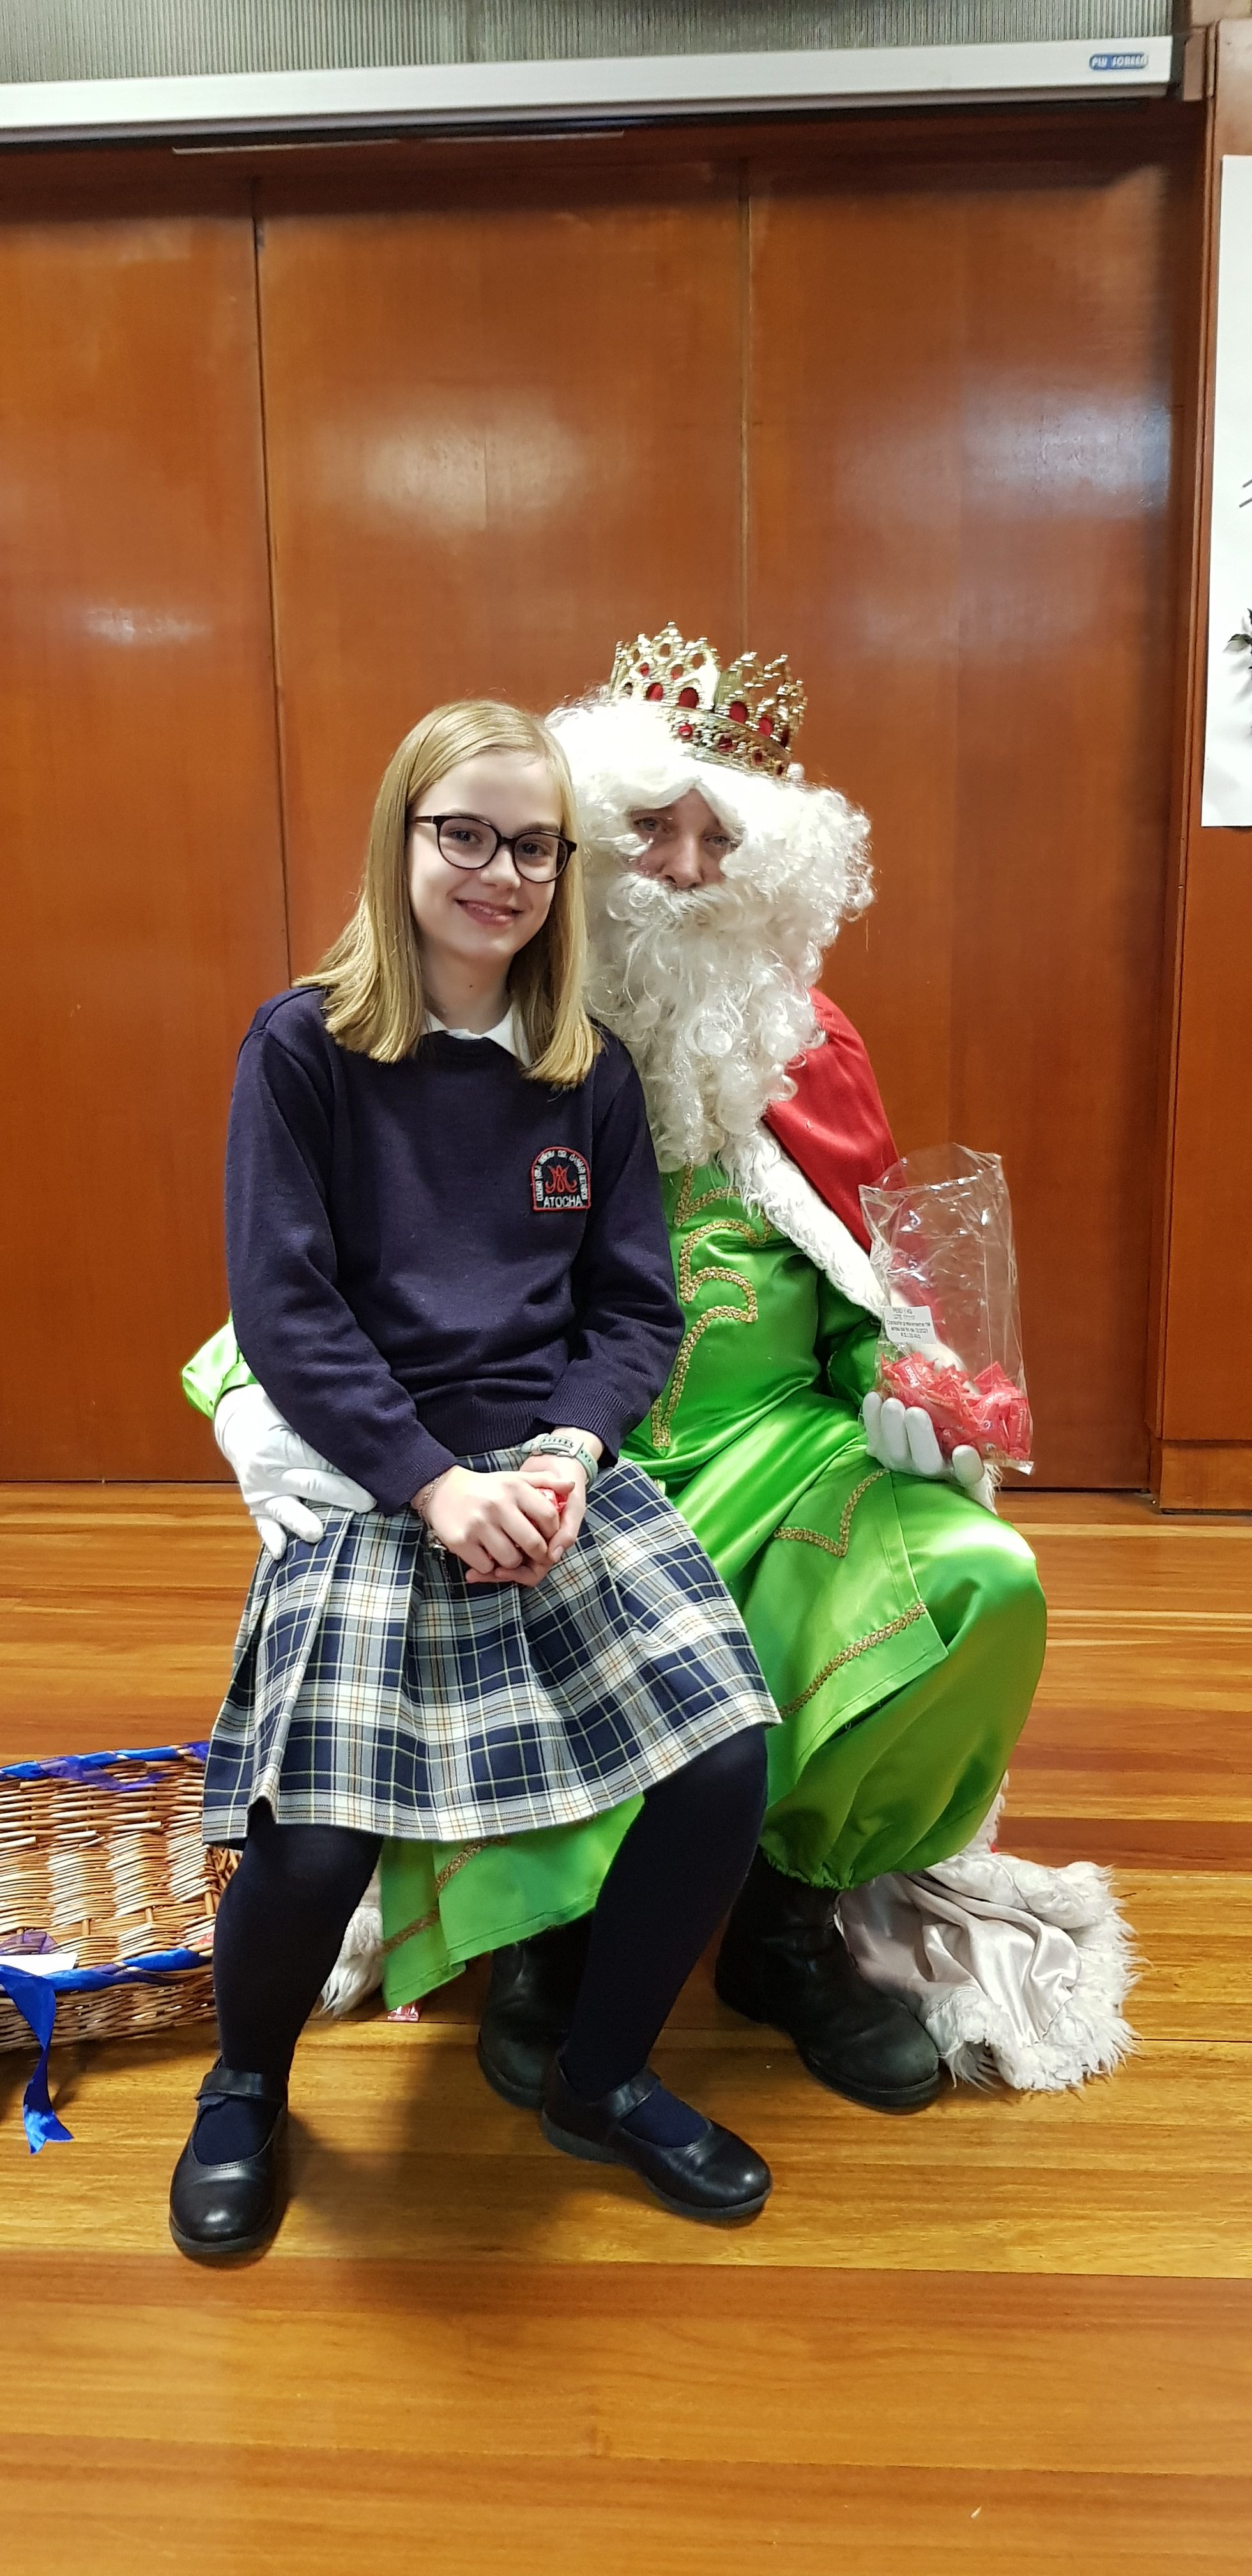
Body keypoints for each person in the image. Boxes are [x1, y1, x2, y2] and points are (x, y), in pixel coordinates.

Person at [190, 631, 1133, 2110]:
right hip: (530, 1452)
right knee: (497, 1622)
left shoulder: (799, 1049)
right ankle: (545, 1938)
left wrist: (919, 1395)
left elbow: (864, 1281)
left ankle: (784, 1924)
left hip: (773, 1450)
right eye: (650, 830)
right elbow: (309, 1278)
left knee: (981, 1581)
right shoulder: (449, 1031)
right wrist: (266, 1406)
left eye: (723, 841)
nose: (685, 871)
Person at [170, 696, 784, 2264]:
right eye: (466, 835)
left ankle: (599, 2079)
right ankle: (244, 2086)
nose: (500, 873)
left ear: (562, 869)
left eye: (533, 846)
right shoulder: (301, 1048)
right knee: (315, 1833)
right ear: (402, 840)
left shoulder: (588, 1071)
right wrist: (432, 1484)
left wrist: (570, 1451)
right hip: (378, 1478)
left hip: (553, 1475)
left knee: (723, 1761)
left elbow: (632, 1312)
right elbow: (286, 1312)